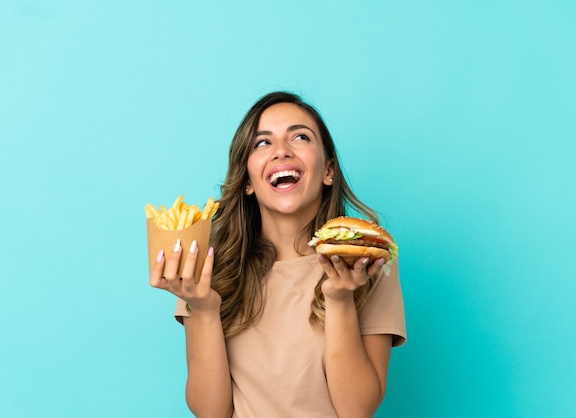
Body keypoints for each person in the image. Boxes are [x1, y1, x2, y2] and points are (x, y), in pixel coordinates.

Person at [150, 91, 406, 417]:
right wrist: (203, 307)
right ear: (247, 181)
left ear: (329, 170)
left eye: (300, 136)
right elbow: (210, 412)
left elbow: (356, 410)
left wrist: (340, 300)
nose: (281, 151)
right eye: (262, 143)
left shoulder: (368, 261)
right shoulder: (207, 266)